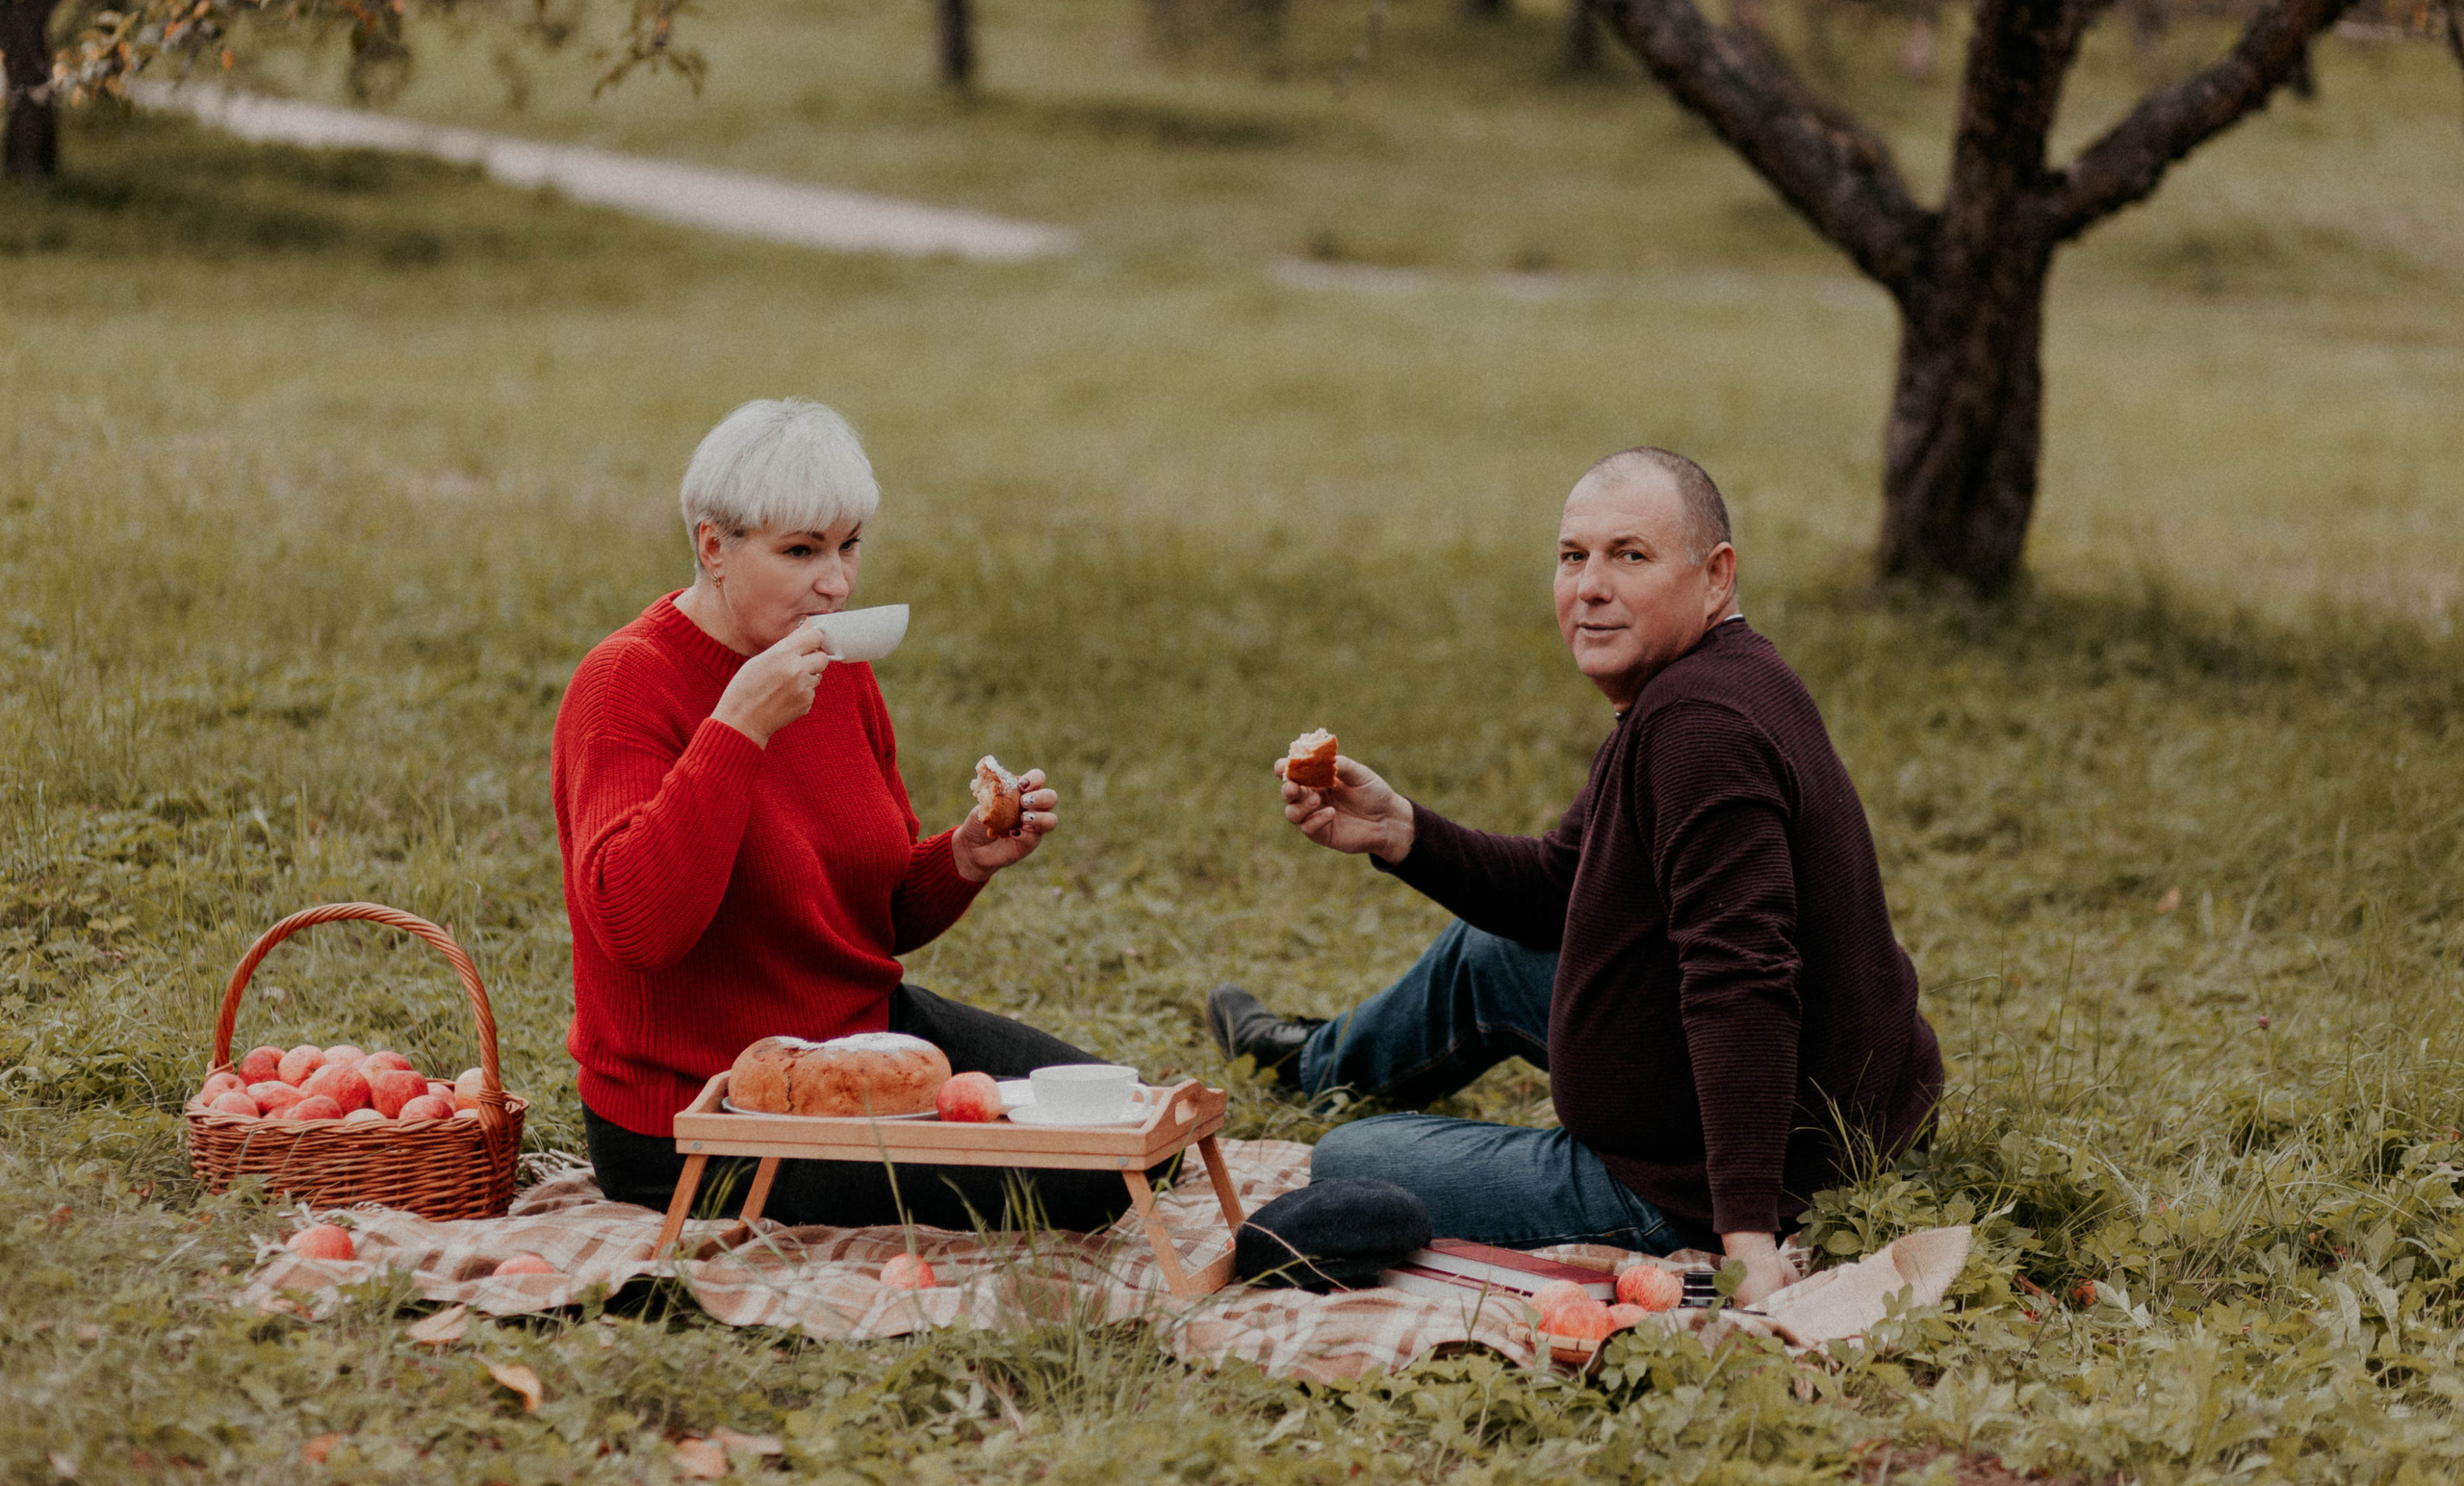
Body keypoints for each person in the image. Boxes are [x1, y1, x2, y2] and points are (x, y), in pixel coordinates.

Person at [1205, 448, 1942, 1303]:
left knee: (1349, 1161)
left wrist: (1745, 1235)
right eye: (1572, 556)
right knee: (1487, 952)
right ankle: (1315, 1066)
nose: (1590, 586)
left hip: (1697, 1176)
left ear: (1716, 577)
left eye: (1630, 556)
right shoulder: (1704, 681)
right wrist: (1400, 830)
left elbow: (1742, 976)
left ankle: (1360, 1107)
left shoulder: (1700, 730)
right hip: (1803, 1097)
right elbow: (1560, 884)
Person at [554, 397, 1134, 1231]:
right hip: (698, 1108)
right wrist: (738, 727)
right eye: (801, 551)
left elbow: (876, 913)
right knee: (1081, 1183)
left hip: (859, 1039)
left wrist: (964, 856)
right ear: (715, 546)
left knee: (1119, 1130)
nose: (838, 581)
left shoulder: (837, 668)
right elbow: (639, 930)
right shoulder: (625, 684)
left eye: (848, 544)